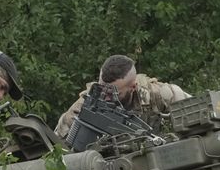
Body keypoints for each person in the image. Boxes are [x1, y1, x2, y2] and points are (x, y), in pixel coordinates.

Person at [54, 54, 189, 144]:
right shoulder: (83, 108)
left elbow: (197, 110)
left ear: (133, 87)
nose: (105, 96)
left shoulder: (156, 94)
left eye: (113, 93)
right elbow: (57, 147)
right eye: (102, 87)